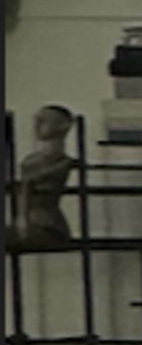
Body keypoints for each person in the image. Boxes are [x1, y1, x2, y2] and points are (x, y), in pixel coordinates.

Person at [9, 100, 80, 252]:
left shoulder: (63, 162)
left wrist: (22, 220)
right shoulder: (31, 161)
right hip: (31, 224)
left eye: (44, 120)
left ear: (64, 125)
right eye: (37, 120)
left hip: (50, 228)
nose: (37, 125)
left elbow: (28, 183)